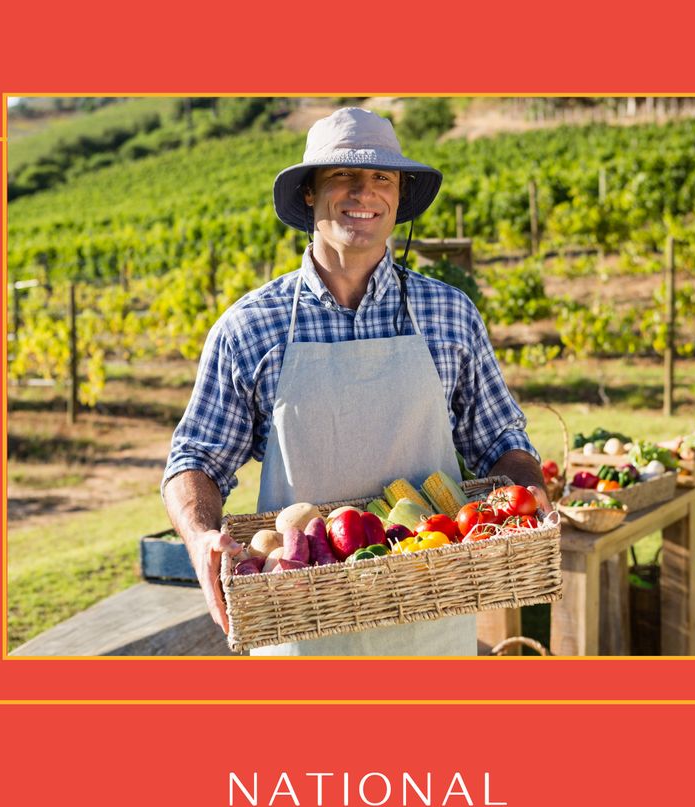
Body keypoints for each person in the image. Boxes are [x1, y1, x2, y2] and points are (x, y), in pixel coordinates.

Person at [162, 107, 552, 656]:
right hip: (299, 626)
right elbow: (195, 460)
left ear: (398, 196)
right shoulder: (250, 327)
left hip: (433, 623)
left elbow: (502, 443)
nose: (364, 192)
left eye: (381, 178)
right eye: (343, 176)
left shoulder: (449, 314)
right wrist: (202, 535)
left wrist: (527, 485)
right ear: (308, 195)